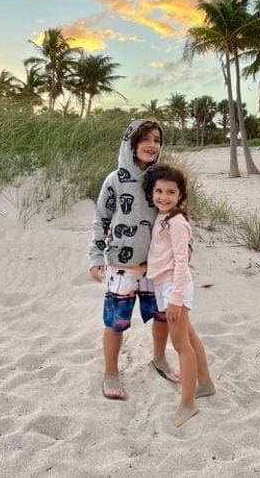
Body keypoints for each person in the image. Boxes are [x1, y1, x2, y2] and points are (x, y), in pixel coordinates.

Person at [89, 119, 179, 400]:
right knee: (116, 321)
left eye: (157, 140)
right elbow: (101, 219)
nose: (152, 145)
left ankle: (159, 358)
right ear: (131, 142)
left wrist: (184, 246)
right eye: (146, 139)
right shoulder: (114, 180)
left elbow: (176, 216)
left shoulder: (162, 180)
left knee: (162, 316)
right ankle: (111, 372)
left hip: (157, 264)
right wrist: (95, 255)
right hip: (121, 263)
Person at [144, 164, 215, 427]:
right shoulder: (161, 217)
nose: (163, 196)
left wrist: (175, 298)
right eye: (159, 191)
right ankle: (205, 383)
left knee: (180, 344)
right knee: (189, 336)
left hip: (175, 287)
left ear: (180, 194)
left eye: (170, 192)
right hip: (165, 285)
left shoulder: (176, 223)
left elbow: (182, 262)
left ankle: (188, 404)